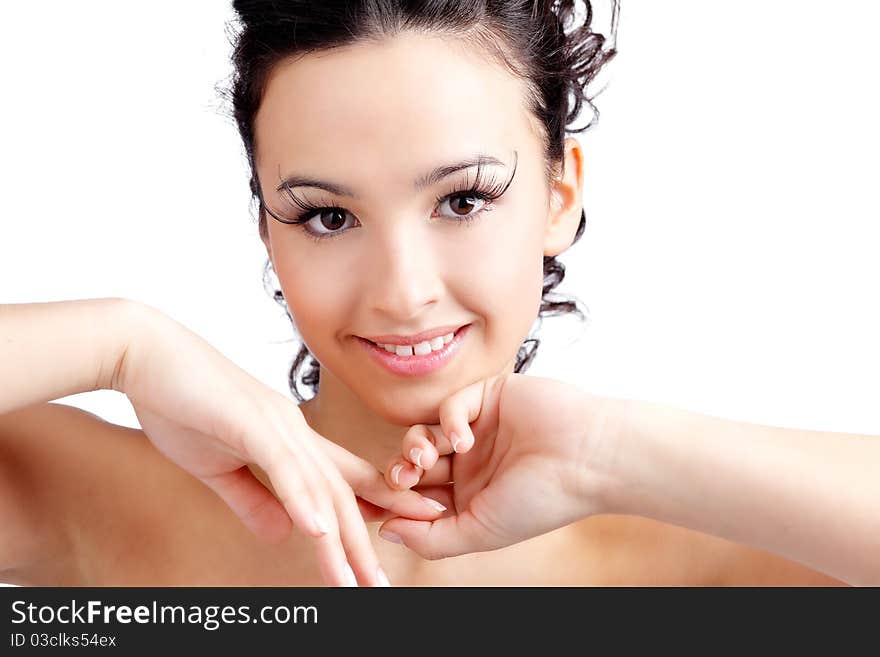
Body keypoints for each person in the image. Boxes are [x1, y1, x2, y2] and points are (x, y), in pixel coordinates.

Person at [0, 0, 866, 587]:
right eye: (327, 215)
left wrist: (607, 452)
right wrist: (119, 344)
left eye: (462, 200)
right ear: (264, 223)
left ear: (559, 195)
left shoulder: (698, 554)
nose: (402, 293)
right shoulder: (110, 502)